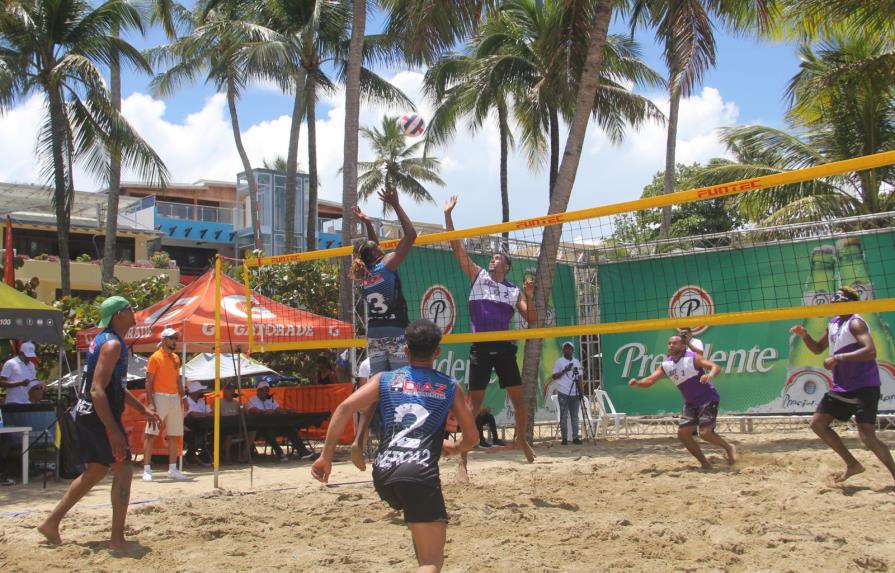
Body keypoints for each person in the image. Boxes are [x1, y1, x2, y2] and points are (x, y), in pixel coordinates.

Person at [312, 319, 478, 573]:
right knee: (431, 561)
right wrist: (454, 448)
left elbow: (345, 408)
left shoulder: (384, 379)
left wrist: (326, 457)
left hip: (384, 473)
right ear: (437, 352)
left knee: (418, 523)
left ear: (406, 351)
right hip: (419, 473)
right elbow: (472, 437)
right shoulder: (449, 386)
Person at [38, 296, 161, 549]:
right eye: (130, 308)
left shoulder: (105, 341)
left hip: (89, 413)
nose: (134, 311)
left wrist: (143, 409)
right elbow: (97, 390)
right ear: (118, 315)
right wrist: (113, 431)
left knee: (95, 470)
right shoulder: (112, 345)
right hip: (97, 415)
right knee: (124, 469)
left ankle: (51, 523)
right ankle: (117, 540)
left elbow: (112, 386)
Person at [443, 195, 537, 480]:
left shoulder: (512, 290)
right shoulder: (479, 276)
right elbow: (457, 246)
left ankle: (521, 439)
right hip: (482, 347)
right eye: (492, 257)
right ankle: (463, 460)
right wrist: (448, 217)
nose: (492, 258)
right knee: (472, 406)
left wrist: (529, 296)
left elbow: (531, 319)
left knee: (520, 402)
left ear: (506, 266)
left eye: (497, 257)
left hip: (505, 347)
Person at [789, 286, 895, 484]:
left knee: (868, 436)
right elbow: (818, 349)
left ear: (849, 302)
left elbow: (870, 351)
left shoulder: (855, 322)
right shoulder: (834, 323)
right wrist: (804, 335)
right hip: (842, 387)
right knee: (818, 424)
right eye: (833, 300)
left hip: (864, 386)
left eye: (837, 301)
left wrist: (838, 357)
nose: (833, 304)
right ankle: (853, 464)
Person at [349, 187, 418, 471]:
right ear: (377, 255)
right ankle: (402, 441)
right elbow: (411, 236)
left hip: (374, 337)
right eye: (379, 247)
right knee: (402, 388)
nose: (383, 247)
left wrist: (367, 222)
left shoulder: (366, 275)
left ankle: (360, 438)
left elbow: (371, 248)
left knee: (375, 390)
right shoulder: (386, 267)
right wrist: (397, 205)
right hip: (394, 333)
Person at [629, 334, 736, 469]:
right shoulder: (666, 364)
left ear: (683, 346)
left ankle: (729, 447)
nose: (671, 345)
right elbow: (650, 381)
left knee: (705, 434)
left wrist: (710, 374)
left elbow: (715, 367)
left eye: (674, 343)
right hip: (691, 402)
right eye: (669, 343)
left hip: (707, 398)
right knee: (683, 435)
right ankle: (705, 464)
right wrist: (638, 383)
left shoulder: (693, 357)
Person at [142, 327, 188, 482]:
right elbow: (148, 382)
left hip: (174, 397)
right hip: (159, 397)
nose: (175, 341)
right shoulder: (155, 358)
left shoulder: (176, 358)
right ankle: (147, 469)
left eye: (175, 338)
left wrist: (184, 397)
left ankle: (173, 469)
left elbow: (177, 380)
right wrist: (151, 404)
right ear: (163, 340)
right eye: (172, 338)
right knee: (151, 434)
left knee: (174, 434)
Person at [247, 381, 319, 461]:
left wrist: (287, 411)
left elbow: (278, 409)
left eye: (267, 390)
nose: (266, 392)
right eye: (263, 390)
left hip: (275, 425)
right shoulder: (252, 399)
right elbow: (252, 410)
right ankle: (280, 453)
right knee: (267, 431)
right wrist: (265, 411)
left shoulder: (270, 399)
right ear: (258, 390)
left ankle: (303, 452)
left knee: (290, 430)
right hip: (260, 427)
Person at [546, 341, 583, 445]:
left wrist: (581, 391)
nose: (568, 350)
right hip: (563, 392)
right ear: (563, 350)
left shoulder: (576, 362)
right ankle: (565, 439)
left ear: (572, 350)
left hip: (575, 392)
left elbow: (579, 377)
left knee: (575, 416)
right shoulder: (559, 362)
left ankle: (575, 437)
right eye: (566, 348)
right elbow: (554, 376)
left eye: (569, 348)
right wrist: (564, 370)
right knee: (564, 416)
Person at [183, 380, 212, 465]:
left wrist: (204, 414)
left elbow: (211, 412)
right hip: (188, 426)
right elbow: (192, 414)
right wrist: (206, 414)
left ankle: (203, 454)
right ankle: (191, 456)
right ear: (194, 392)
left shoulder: (202, 401)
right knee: (195, 434)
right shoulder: (186, 401)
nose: (202, 392)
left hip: (201, 425)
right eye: (200, 391)